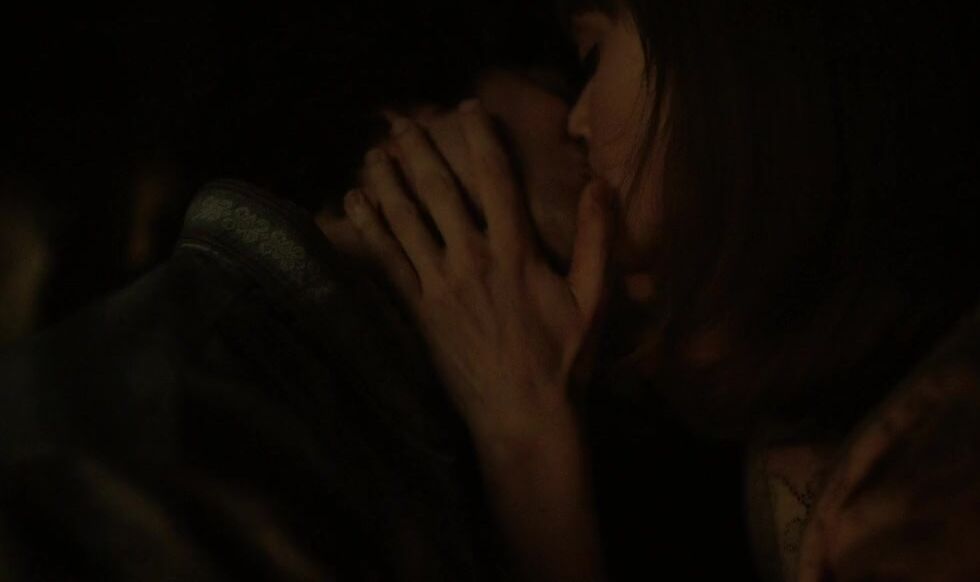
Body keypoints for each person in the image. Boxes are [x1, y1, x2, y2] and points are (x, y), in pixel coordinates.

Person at [343, 1, 980, 580]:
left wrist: (526, 442)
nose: (579, 121)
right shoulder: (798, 450)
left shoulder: (934, 478)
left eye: (593, 59)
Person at [0, 2, 601, 580]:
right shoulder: (176, 393)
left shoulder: (394, 415)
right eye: (561, 81)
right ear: (401, 124)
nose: (586, 121)